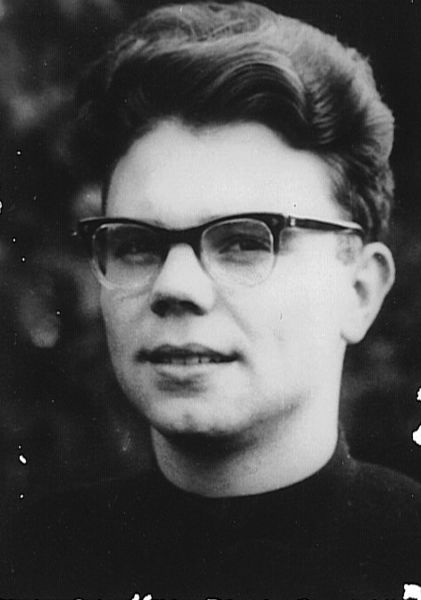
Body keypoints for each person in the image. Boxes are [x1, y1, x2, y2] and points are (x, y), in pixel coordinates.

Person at [2, 2, 421, 598]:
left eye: (246, 241)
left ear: (359, 291)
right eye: (136, 244)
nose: (175, 286)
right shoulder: (29, 562)